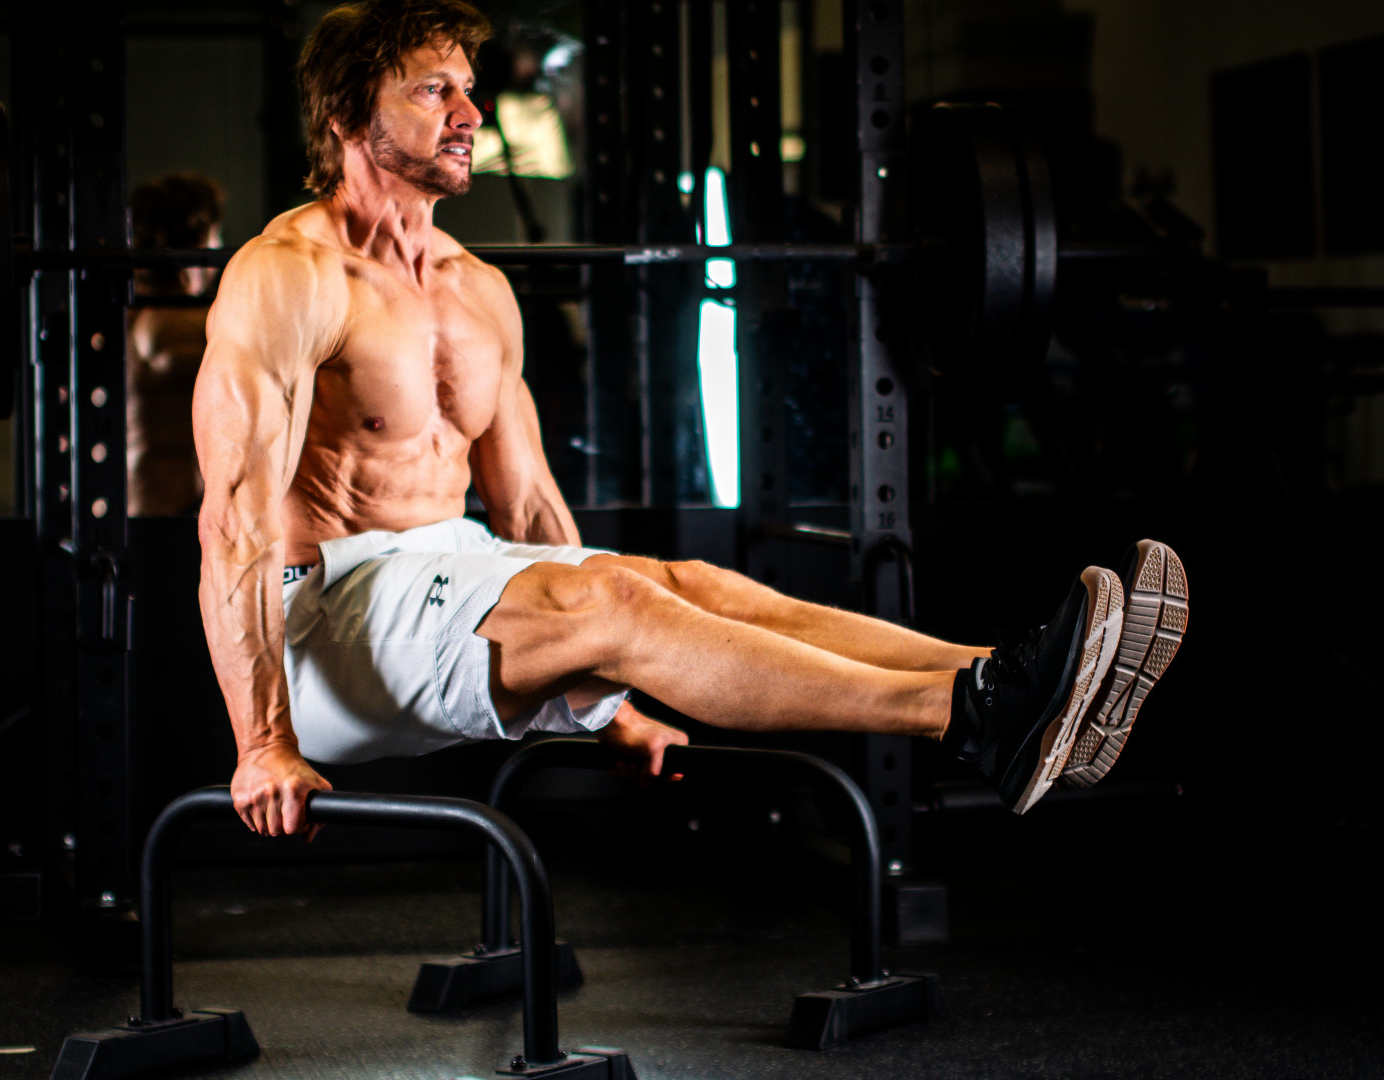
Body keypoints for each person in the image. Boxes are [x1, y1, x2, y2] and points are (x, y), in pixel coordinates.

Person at [194, 0, 1189, 841]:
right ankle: (973, 716)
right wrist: (261, 742)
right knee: (616, 603)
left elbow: (531, 511)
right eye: (431, 90)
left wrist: (606, 707)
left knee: (687, 584)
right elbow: (232, 522)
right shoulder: (288, 275)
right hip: (322, 625)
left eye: (468, 88)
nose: (470, 113)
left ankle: (1012, 676)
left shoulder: (475, 288)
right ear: (345, 112)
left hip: (448, 574)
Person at [128, 171, 225, 516]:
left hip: (125, 512)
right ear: (200, 240)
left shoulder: (117, 319)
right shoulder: (195, 325)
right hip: (176, 518)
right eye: (216, 234)